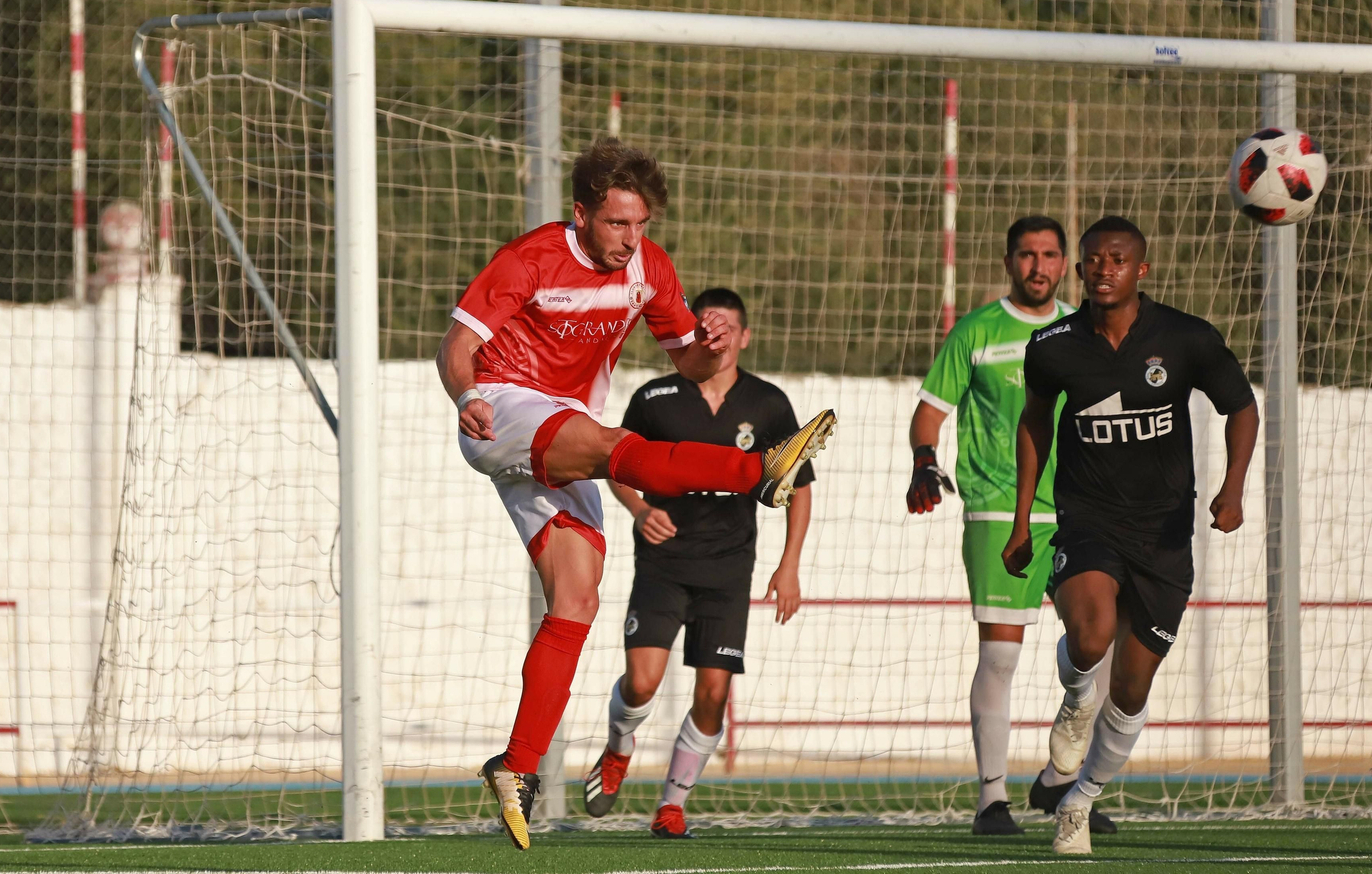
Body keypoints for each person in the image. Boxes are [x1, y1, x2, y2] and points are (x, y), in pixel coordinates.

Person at [436, 137, 836, 850]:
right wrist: (467, 396)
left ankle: (515, 766)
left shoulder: (650, 267)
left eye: (642, 223)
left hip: (564, 426)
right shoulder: (529, 259)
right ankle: (759, 472)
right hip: (503, 407)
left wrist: (710, 343)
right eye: (618, 223)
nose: (631, 238)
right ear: (582, 214)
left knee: (577, 600)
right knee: (619, 447)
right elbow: (456, 347)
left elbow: (688, 360)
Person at [1002, 216, 1258, 855]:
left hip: (1164, 537)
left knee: (1131, 690)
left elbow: (1241, 406)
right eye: (1093, 259)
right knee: (1090, 637)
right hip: (1087, 520)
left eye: (1117, 259)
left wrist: (1233, 488)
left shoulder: (1185, 337)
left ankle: (1079, 800)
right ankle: (1075, 699)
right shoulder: (1053, 346)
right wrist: (1021, 519)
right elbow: (1035, 424)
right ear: (1080, 270)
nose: (1104, 269)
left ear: (1141, 270)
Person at [582, 288, 815, 839]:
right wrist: (640, 510)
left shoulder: (769, 403)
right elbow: (616, 462)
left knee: (713, 694)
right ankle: (618, 748)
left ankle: (672, 804)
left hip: (729, 570)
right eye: (710, 328)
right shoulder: (655, 397)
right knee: (642, 683)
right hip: (663, 563)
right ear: (694, 335)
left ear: (745, 337)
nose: (721, 338)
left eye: (729, 328)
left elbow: (798, 485)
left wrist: (790, 564)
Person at [907, 216, 1106, 837]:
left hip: (1078, 512)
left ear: (1066, 265)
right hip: (998, 512)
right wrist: (923, 462)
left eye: (1049, 255)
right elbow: (928, 414)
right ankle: (992, 802)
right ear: (1008, 262)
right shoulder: (977, 331)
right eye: (1026, 254)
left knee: (1097, 649)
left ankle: (1062, 782)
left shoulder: (1085, 330)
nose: (1037, 266)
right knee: (999, 657)